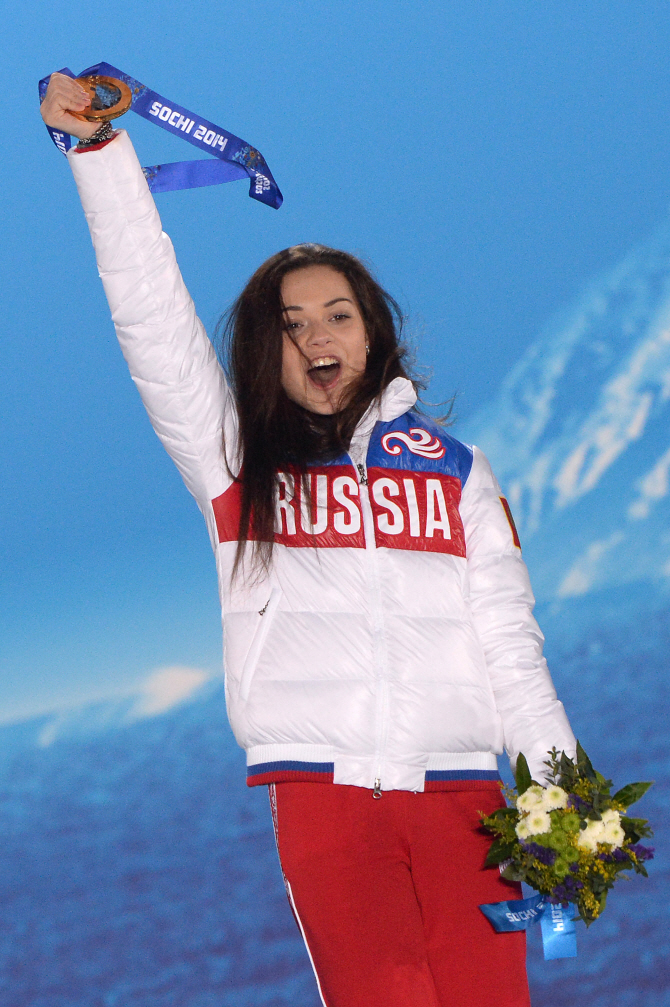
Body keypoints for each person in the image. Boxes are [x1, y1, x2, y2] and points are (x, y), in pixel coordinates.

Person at [41, 73, 577, 1007]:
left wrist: (562, 808)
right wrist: (99, 155)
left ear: (375, 332)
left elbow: (510, 651)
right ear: (263, 349)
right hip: (328, 804)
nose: (317, 338)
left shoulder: (457, 471)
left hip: (468, 802)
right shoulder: (236, 462)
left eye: (337, 315)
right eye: (290, 326)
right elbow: (152, 318)